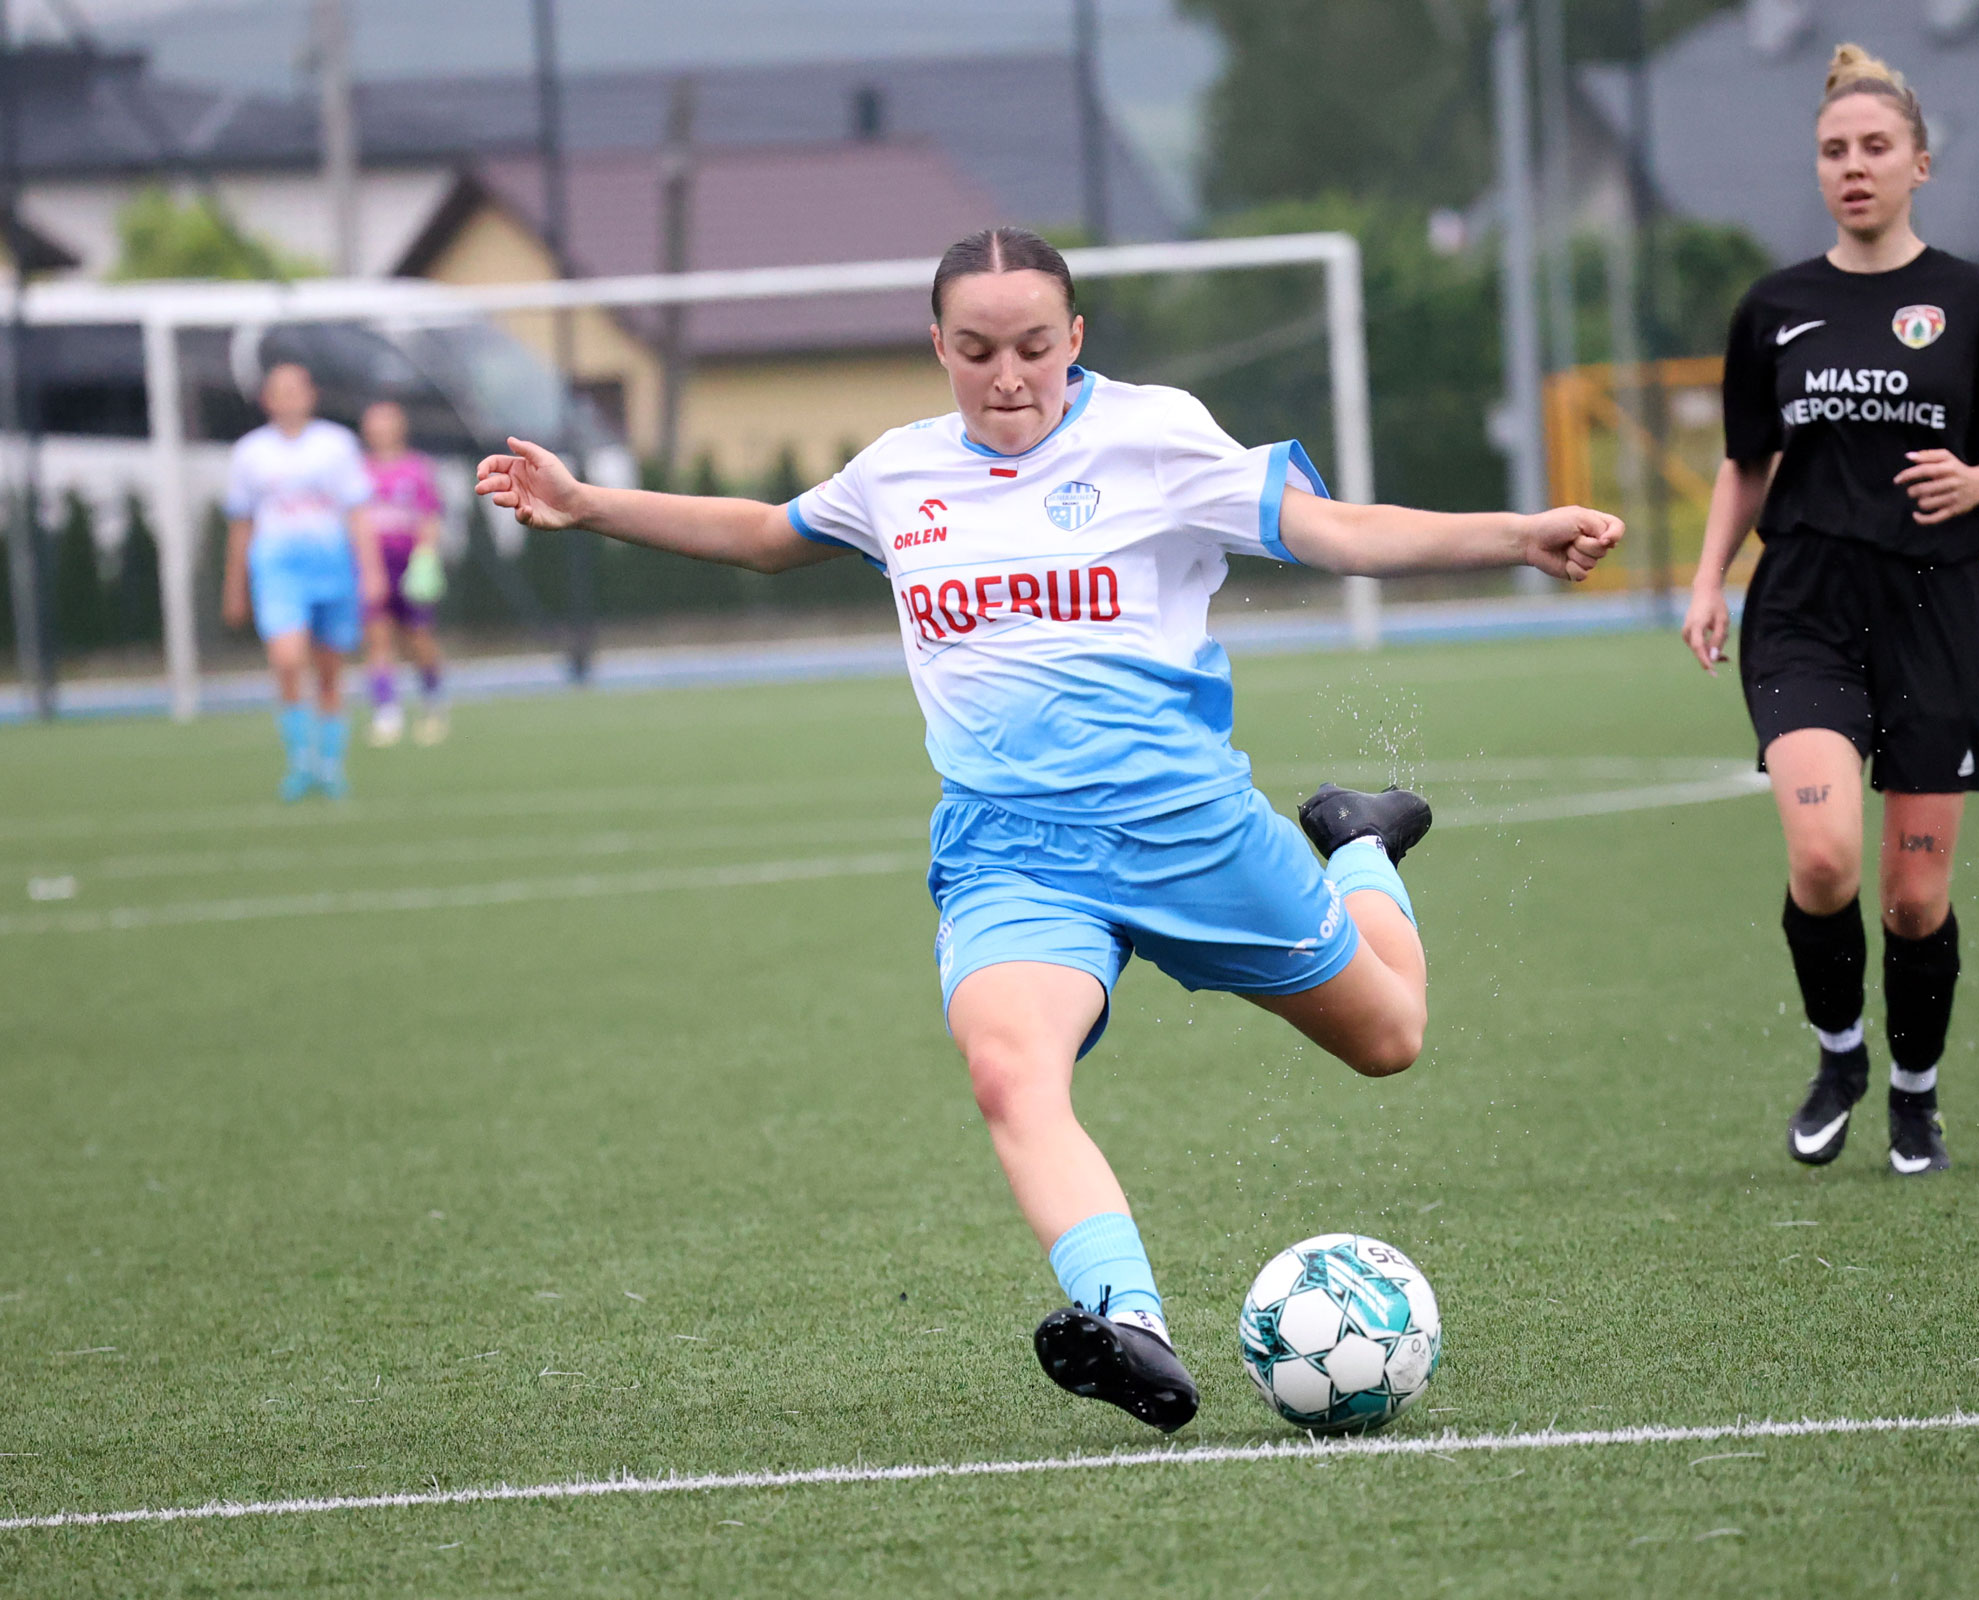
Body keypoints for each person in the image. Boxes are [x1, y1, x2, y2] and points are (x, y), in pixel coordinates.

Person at [478, 226, 1623, 1431]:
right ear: (937, 345)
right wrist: (586, 504)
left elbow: (1337, 532)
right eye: (976, 350)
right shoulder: (898, 474)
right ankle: (1133, 1324)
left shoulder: (1154, 435)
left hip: (1187, 830)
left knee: (1390, 1036)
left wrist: (1515, 534)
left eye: (1034, 346)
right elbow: (769, 537)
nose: (1009, 376)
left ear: (1075, 337)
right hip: (1011, 854)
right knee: (1009, 1071)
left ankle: (1359, 845)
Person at [1681, 45, 1979, 1176]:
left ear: (1919, 164)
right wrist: (1706, 580)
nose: (1854, 166)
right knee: (1823, 861)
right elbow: (1747, 463)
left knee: (1912, 900)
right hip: (1802, 603)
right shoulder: (1775, 308)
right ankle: (1840, 1055)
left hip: (1933, 607)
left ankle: (1915, 1093)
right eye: (1834, 150)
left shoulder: (1978, 301)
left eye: (1876, 148)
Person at [221, 363, 382, 801]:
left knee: (330, 672)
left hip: (332, 568)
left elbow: (358, 511)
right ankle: (299, 760)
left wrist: (371, 572)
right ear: (266, 400)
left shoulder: (336, 444)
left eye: (296, 390)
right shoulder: (250, 453)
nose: (289, 399)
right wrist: (234, 587)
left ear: (311, 395)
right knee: (288, 659)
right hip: (278, 570)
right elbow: (241, 523)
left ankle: (329, 765)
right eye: (280, 391)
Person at [358, 400, 450, 748]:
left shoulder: (417, 469)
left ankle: (433, 703)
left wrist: (425, 560)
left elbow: (430, 517)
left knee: (419, 638)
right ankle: (387, 713)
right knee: (378, 638)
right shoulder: (358, 471)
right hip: (373, 567)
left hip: (410, 566)